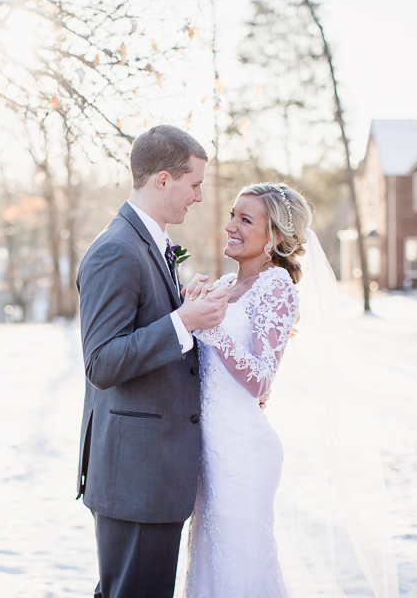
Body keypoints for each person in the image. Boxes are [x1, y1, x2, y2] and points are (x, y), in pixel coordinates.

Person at [182, 183, 400, 598]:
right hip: (208, 452)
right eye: (232, 214)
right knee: (210, 569)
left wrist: (214, 332)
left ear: (276, 237)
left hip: (242, 455)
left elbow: (261, 380)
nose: (230, 225)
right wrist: (190, 308)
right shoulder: (226, 285)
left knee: (241, 569)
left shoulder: (276, 287)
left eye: (245, 220)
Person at [76, 125, 228, 598]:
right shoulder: (115, 251)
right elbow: (101, 362)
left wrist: (182, 306)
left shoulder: (148, 243)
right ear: (163, 180)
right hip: (136, 477)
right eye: (194, 184)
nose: (200, 197)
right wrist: (182, 322)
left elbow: (140, 326)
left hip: (150, 474)